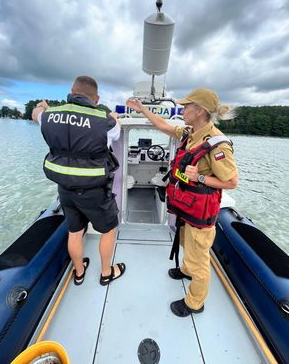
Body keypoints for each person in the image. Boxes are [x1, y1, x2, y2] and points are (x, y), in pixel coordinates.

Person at [126, 88, 238, 317]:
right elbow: (164, 126)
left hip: (201, 213)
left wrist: (201, 177)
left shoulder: (218, 145)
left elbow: (232, 182)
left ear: (199, 111)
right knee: (187, 243)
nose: (183, 110)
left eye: (187, 106)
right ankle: (186, 270)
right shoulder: (190, 133)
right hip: (187, 206)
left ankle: (195, 303)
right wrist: (142, 110)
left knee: (200, 260)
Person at [32, 76, 125, 286]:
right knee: (108, 229)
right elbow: (116, 132)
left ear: (72, 91)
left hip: (65, 189)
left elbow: (36, 114)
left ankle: (79, 272)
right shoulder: (106, 121)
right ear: (97, 98)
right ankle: (106, 272)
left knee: (74, 232)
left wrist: (42, 105)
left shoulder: (50, 116)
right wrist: (113, 115)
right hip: (95, 191)